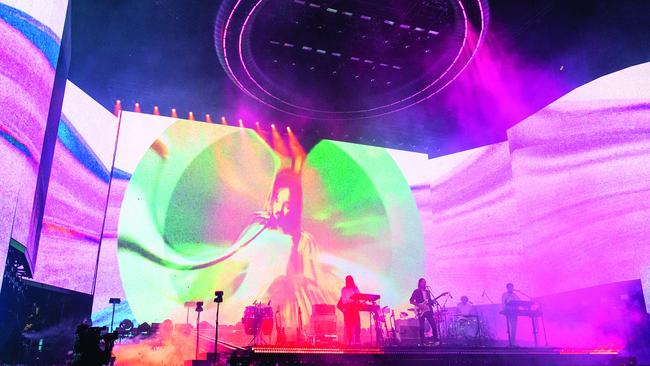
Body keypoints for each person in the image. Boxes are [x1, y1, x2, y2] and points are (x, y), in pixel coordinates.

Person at [409, 278, 439, 345]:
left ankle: (436, 340)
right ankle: (422, 341)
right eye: (423, 282)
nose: (424, 283)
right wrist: (419, 305)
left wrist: (433, 302)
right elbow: (411, 301)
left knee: (433, 324)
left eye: (425, 282)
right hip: (420, 310)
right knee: (422, 326)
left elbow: (430, 301)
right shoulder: (416, 291)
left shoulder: (428, 292)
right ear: (419, 283)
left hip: (428, 310)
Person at [338, 275, 361, 345]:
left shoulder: (355, 288)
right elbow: (344, 300)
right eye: (347, 281)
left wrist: (356, 301)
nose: (348, 282)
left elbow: (359, 296)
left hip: (355, 309)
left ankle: (357, 341)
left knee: (357, 325)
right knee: (349, 327)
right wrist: (345, 309)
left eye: (350, 280)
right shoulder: (343, 289)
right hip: (348, 309)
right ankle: (350, 342)